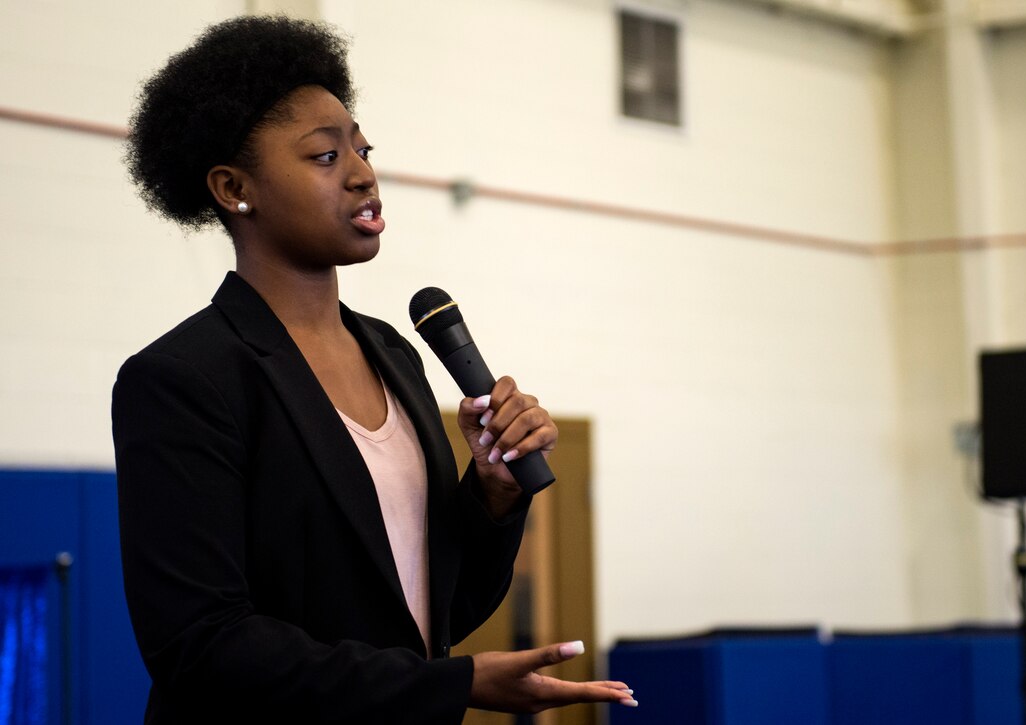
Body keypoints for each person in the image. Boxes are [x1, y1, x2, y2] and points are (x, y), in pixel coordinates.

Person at [112, 14, 636, 724]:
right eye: (326, 157)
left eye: (363, 149)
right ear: (236, 187)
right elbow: (202, 647)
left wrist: (492, 494)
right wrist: (454, 684)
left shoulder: (395, 355)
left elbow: (434, 610)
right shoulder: (184, 378)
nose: (364, 174)